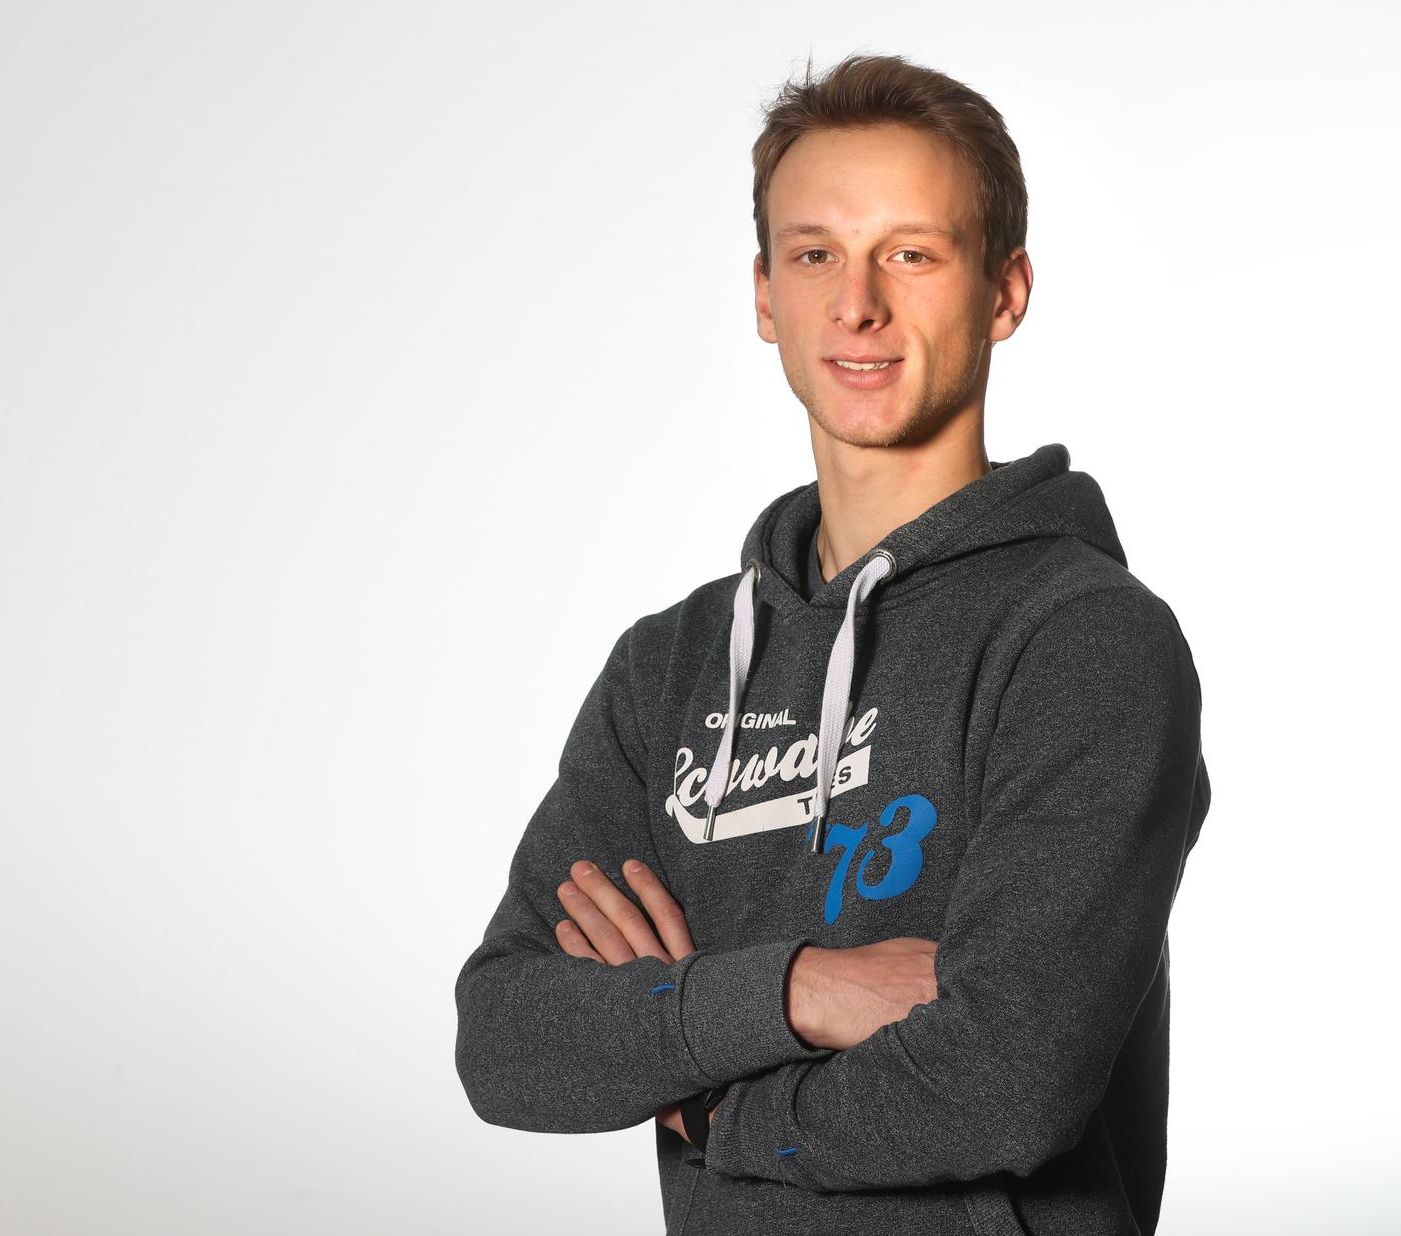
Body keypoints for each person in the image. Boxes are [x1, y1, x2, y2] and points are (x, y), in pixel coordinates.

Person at [454, 50, 1212, 1236]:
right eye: (815, 255)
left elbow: (1006, 1083)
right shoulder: (670, 668)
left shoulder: (1084, 643)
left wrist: (700, 1093)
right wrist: (801, 990)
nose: (857, 304)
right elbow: (506, 1040)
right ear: (765, 296)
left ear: (1005, 291)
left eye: (912, 252)